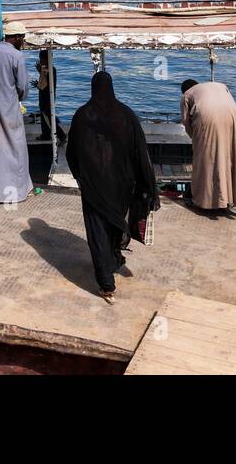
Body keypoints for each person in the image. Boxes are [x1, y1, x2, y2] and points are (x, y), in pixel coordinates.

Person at [68, 72, 159, 302]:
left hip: (93, 186)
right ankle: (114, 259)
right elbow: (140, 151)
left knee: (97, 230)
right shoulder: (126, 114)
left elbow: (71, 153)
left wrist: (81, 177)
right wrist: (146, 183)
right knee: (114, 222)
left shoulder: (81, 115)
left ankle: (107, 284)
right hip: (121, 184)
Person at [0, 21, 33, 204]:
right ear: (17, 37)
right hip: (8, 107)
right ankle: (18, 192)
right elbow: (23, 87)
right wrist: (16, 96)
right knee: (16, 147)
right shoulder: (17, 56)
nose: (23, 42)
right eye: (23, 38)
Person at [180, 79, 236, 212]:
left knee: (205, 161)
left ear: (184, 90)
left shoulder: (187, 94)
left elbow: (186, 123)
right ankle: (231, 198)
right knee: (230, 155)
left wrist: (198, 141)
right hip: (234, 117)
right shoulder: (220, 85)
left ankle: (205, 201)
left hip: (207, 118)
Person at [33, 51, 63, 142]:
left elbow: (43, 85)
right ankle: (46, 134)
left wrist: (40, 74)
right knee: (46, 117)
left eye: (41, 59)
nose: (40, 61)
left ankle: (60, 135)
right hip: (46, 97)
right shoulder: (48, 69)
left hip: (47, 98)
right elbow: (44, 83)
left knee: (48, 117)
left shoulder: (48, 69)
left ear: (46, 59)